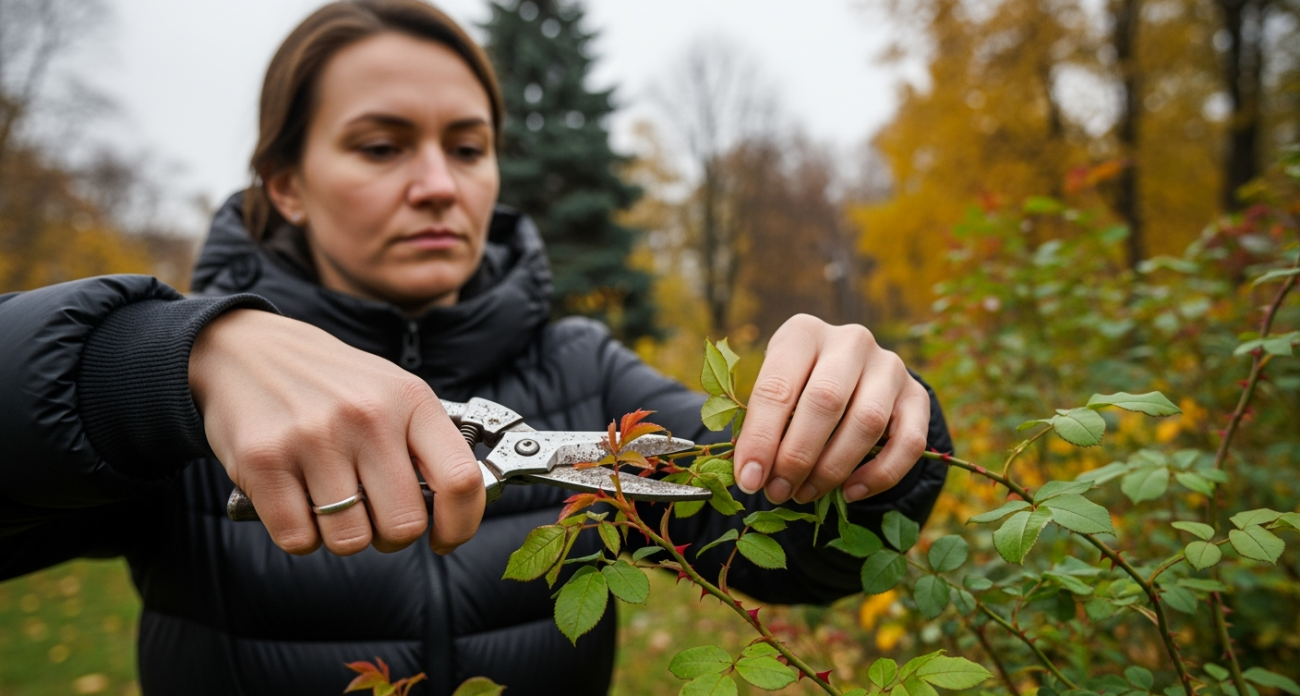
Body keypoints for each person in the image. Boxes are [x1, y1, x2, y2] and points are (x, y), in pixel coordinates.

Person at [0, 1, 952, 693]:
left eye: (468, 146)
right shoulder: (190, 399)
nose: (438, 185)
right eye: (380, 146)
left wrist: (864, 438)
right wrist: (153, 365)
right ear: (286, 184)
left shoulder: (582, 370)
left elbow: (804, 557)